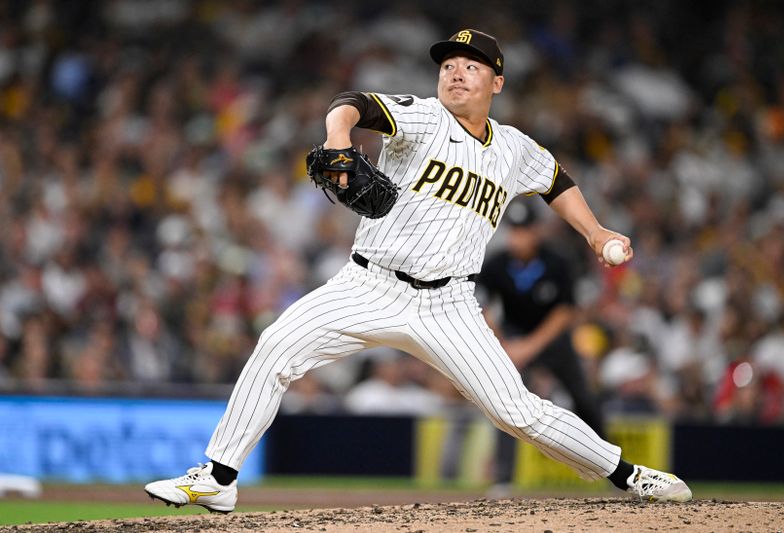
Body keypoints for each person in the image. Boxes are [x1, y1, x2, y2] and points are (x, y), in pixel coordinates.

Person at [145, 29, 692, 513]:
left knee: (515, 410)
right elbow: (350, 103)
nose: (456, 72)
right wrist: (340, 140)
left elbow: (556, 182)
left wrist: (595, 232)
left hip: (447, 305)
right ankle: (219, 477)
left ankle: (627, 475)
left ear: (496, 83)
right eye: (448, 64)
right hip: (369, 284)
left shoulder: (512, 149)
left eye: (471, 65)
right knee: (274, 347)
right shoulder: (422, 117)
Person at [477, 198, 607, 494]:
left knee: (584, 398)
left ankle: (611, 468)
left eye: (524, 230)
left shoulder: (557, 261)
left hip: (551, 339)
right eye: (514, 230)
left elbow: (565, 312)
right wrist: (507, 345)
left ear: (536, 231)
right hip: (512, 338)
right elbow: (481, 306)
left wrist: (528, 347)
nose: (519, 237)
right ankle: (503, 479)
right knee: (506, 404)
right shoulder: (497, 264)